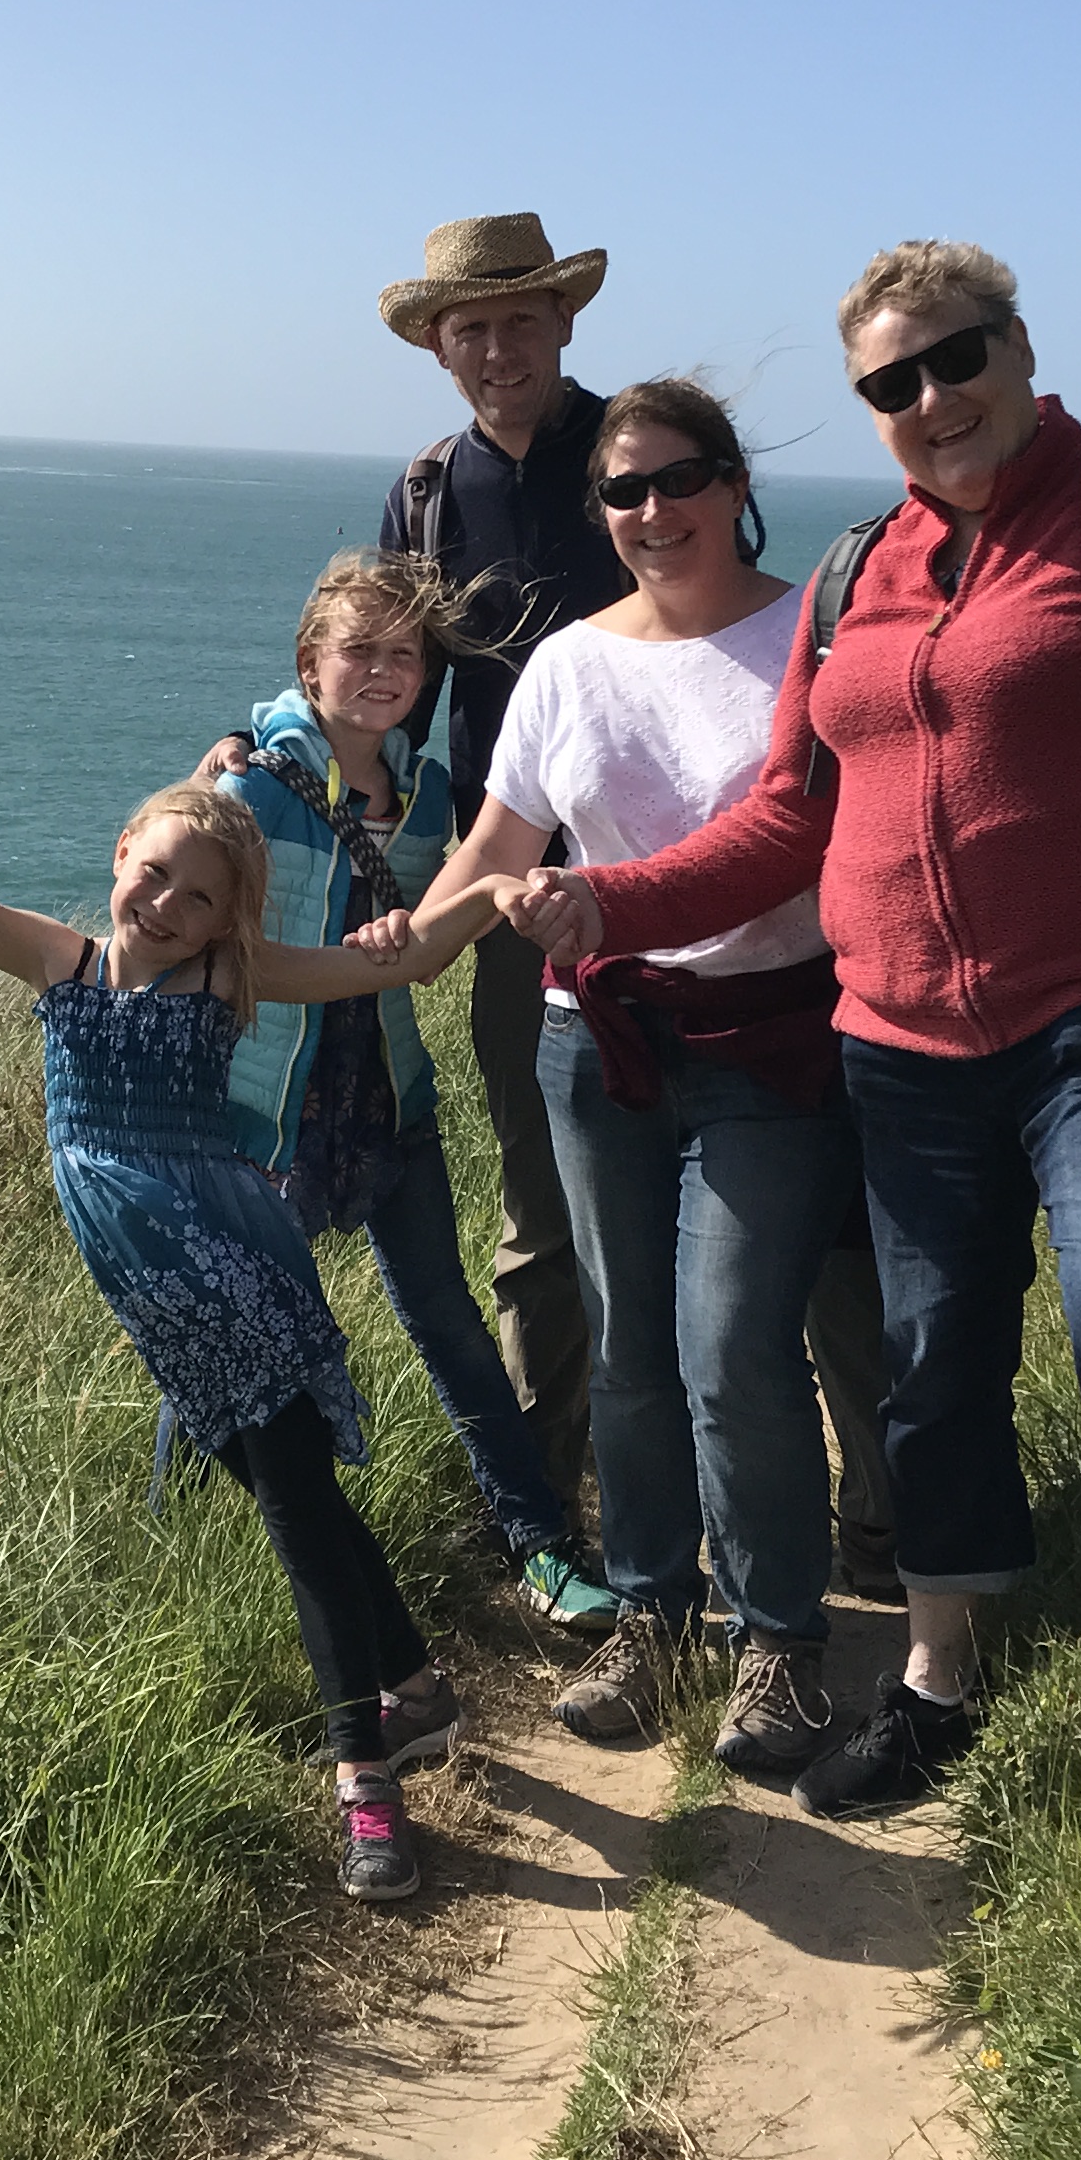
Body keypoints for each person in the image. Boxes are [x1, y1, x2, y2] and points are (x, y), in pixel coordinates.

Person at [509, 241, 1081, 1833]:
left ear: (1018, 348)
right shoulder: (855, 574)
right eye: (892, 383)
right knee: (935, 1358)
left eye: (956, 358)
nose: (932, 399)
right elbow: (785, 820)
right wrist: (608, 904)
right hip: (895, 1042)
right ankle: (939, 1686)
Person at [0, 767, 519, 1900]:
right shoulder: (54, 962)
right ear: (121, 856)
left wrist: (489, 890)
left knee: (298, 1518)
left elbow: (395, 965)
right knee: (298, 1499)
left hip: (235, 1273)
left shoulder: (228, 977)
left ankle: (364, 1778)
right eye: (154, 875)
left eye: (199, 898)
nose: (166, 906)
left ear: (225, 921)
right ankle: (417, 1692)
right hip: (160, 1305)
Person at [400, 380, 861, 1780]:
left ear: (735, 483)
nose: (652, 511)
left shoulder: (809, 635)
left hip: (769, 1038)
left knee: (734, 1348)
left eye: (680, 479)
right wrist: (399, 948)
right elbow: (497, 846)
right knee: (627, 1346)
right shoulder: (566, 664)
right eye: (622, 490)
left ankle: (777, 1640)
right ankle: (654, 1614)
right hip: (592, 1042)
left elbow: (814, 832)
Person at [213, 550, 623, 1632]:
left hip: (389, 1095)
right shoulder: (247, 787)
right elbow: (213, 945)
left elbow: (431, 937)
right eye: (359, 649)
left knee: (449, 1323)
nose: (385, 670)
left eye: (405, 652)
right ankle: (248, 1546)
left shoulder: (435, 794)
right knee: (253, 1338)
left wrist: (463, 909)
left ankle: (536, 1542)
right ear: (310, 663)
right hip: (264, 1110)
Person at [362, 214, 636, 1507]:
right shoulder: (424, 497)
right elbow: (387, 692)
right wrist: (271, 764)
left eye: (521, 319)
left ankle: (708, 1477)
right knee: (538, 1197)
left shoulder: (638, 457)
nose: (497, 348)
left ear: (564, 322)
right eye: (469, 327)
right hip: (510, 892)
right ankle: (551, 1491)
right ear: (437, 347)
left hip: (671, 882)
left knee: (707, 1188)